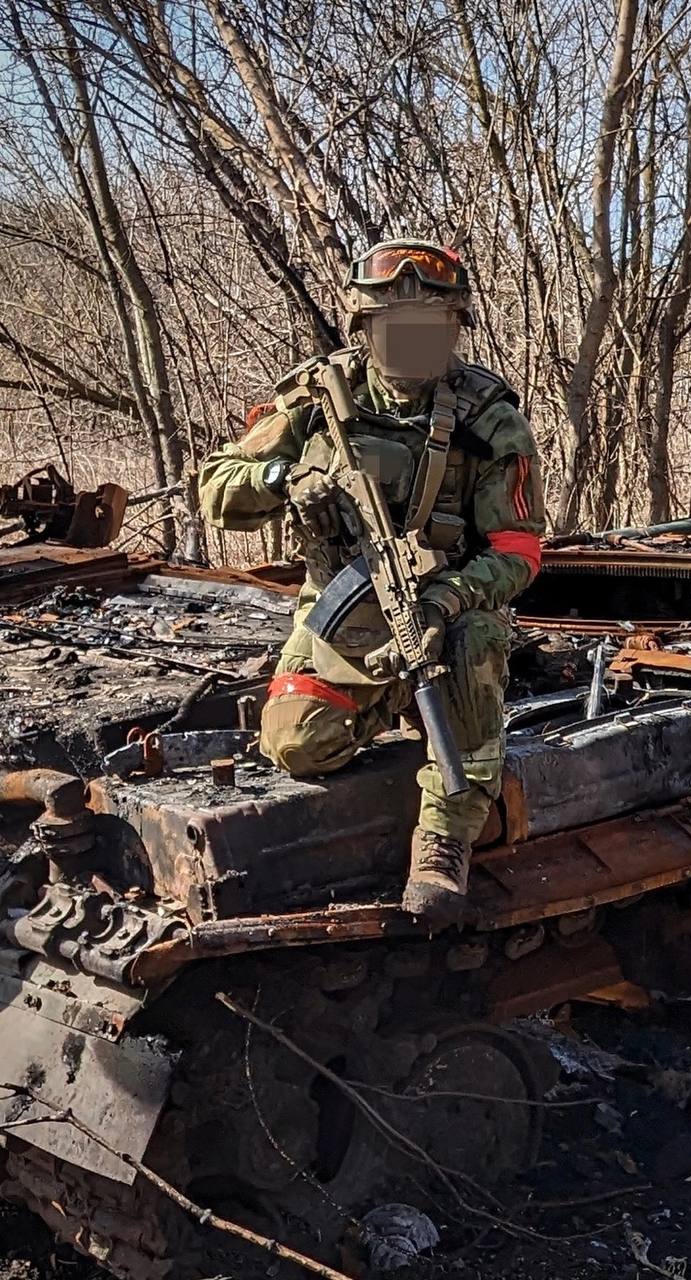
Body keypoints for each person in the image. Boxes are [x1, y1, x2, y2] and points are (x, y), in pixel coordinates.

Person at [198, 240, 545, 924]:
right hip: (342, 609)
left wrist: (448, 599)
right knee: (297, 746)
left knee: (473, 655)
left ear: (454, 330)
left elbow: (519, 550)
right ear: (363, 329)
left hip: (447, 611)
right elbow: (216, 487)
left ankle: (445, 840)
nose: (412, 345)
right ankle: (391, 699)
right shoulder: (314, 400)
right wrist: (287, 480)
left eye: (430, 329)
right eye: (396, 330)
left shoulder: (488, 419)